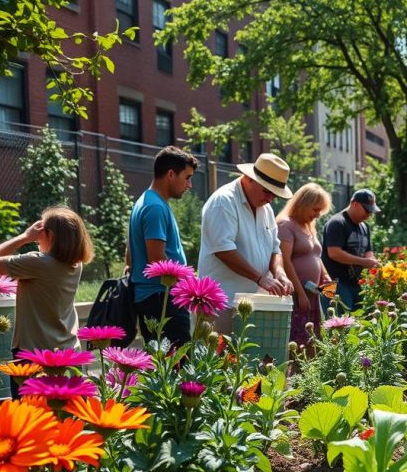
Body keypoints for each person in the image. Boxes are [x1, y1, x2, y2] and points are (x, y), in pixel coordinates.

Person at [0, 207, 94, 396]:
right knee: (63, 417)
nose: (37, 234)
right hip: (69, 351)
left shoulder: (38, 263)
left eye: (41, 229)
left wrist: (24, 237)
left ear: (51, 235)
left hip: (35, 356)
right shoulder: (75, 264)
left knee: (31, 418)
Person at [198, 152, 295, 334]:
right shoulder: (224, 201)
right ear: (249, 179)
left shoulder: (265, 209)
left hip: (252, 303)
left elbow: (275, 248)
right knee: (218, 361)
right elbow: (223, 250)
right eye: (267, 191)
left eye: (274, 194)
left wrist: (279, 273)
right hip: (222, 303)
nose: (270, 199)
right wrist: (260, 277)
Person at [126, 146, 200, 347]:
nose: (190, 184)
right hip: (161, 299)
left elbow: (129, 254)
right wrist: (193, 284)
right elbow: (157, 260)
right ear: (170, 174)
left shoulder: (146, 201)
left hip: (155, 298)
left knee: (165, 366)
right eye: (187, 177)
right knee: (177, 365)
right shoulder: (155, 208)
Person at [277, 183, 333, 348]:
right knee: (297, 340)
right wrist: (300, 293)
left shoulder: (308, 226)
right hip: (296, 293)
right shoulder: (285, 224)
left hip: (312, 293)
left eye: (320, 211)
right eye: (315, 210)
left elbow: (316, 256)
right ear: (303, 204)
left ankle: (308, 373)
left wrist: (326, 277)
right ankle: (293, 373)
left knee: (313, 341)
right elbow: (284, 260)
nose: (317, 215)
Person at [321, 189, 379, 311]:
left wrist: (373, 262)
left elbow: (368, 252)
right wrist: (364, 262)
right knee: (335, 322)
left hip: (355, 285)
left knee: (357, 323)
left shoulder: (365, 227)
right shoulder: (336, 222)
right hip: (332, 283)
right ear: (355, 204)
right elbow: (334, 253)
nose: (369, 214)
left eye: (371, 211)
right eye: (367, 210)